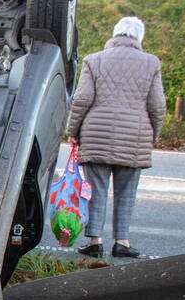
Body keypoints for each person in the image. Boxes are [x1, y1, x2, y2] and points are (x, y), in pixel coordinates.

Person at [66, 16, 166, 259]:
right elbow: (157, 105)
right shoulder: (151, 63)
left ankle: (95, 241)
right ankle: (122, 241)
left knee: (96, 189)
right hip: (135, 135)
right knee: (127, 192)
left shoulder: (94, 60)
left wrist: (72, 131)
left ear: (114, 34)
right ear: (140, 37)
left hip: (96, 133)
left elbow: (81, 99)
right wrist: (154, 133)